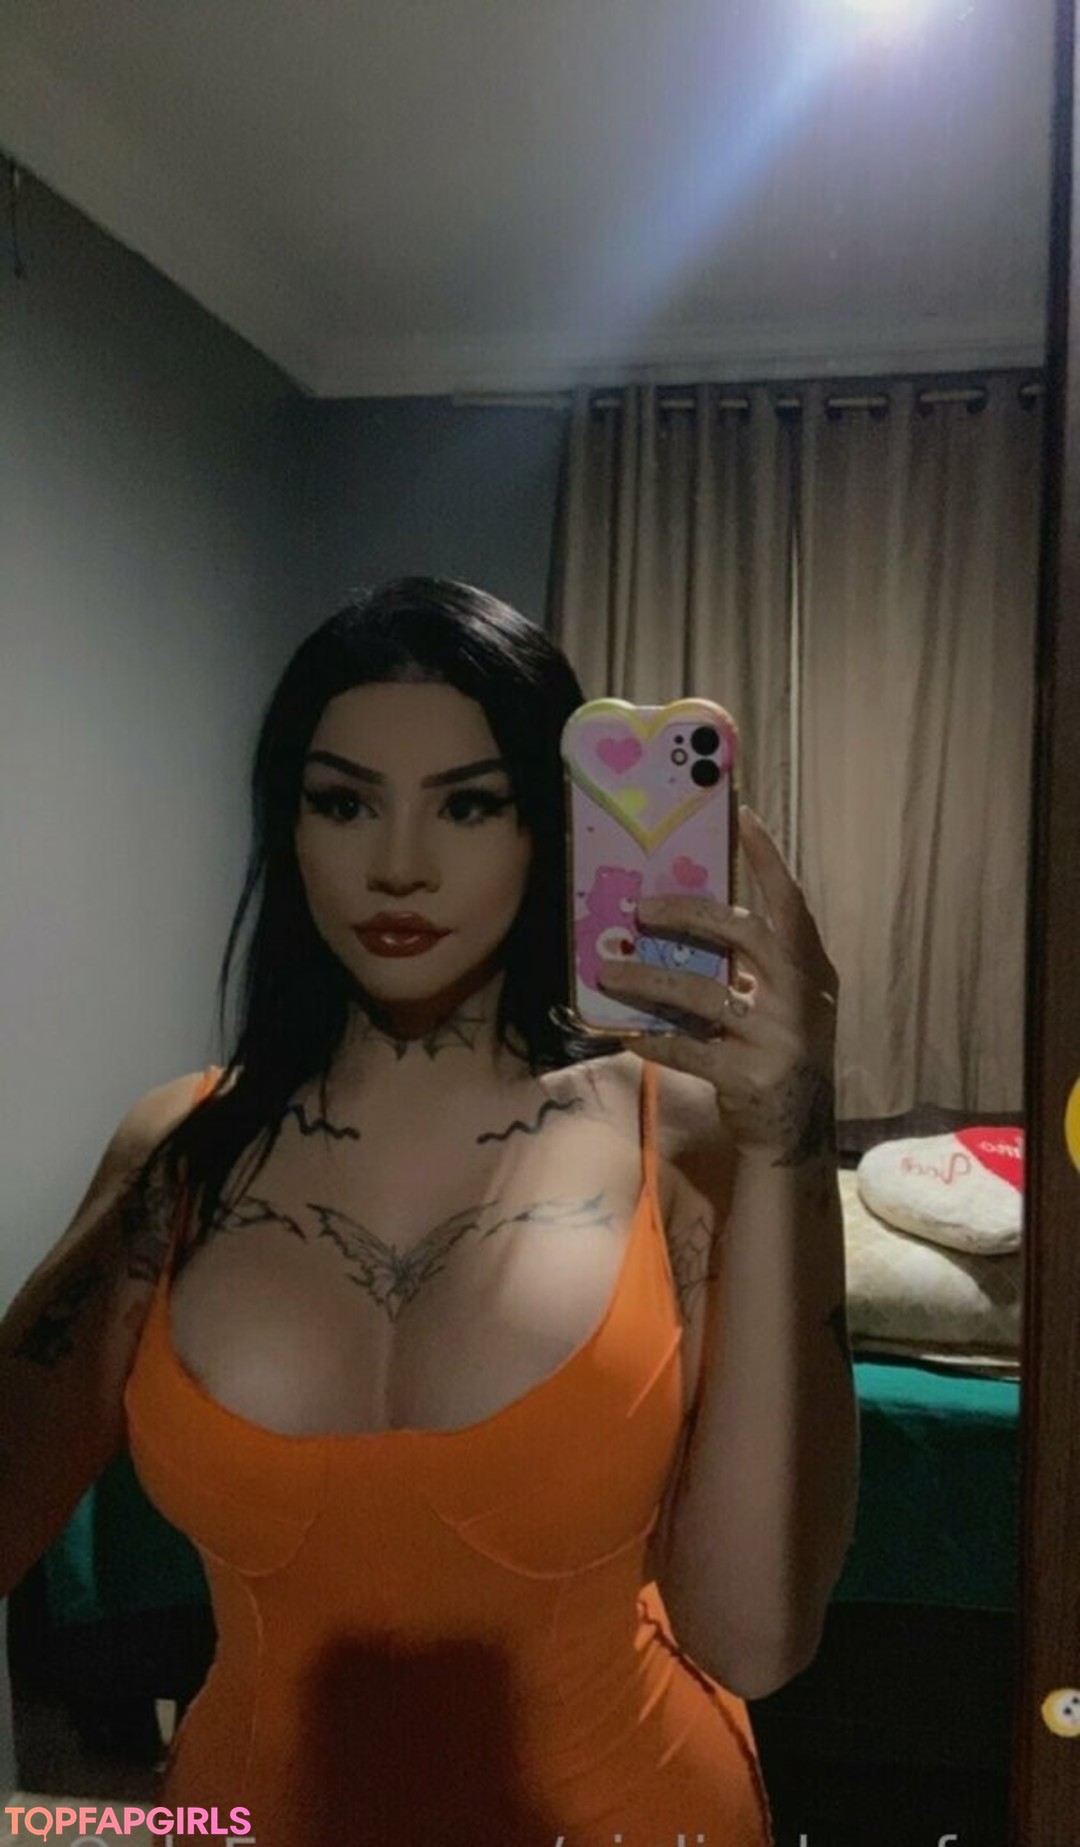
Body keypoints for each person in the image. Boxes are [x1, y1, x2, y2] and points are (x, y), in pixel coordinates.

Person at [1, 577, 858, 1846]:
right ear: (289, 825)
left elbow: (755, 1636)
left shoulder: (685, 1142)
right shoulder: (181, 1156)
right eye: (345, 801)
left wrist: (793, 1135)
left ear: (551, 829)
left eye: (468, 804)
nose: (398, 863)